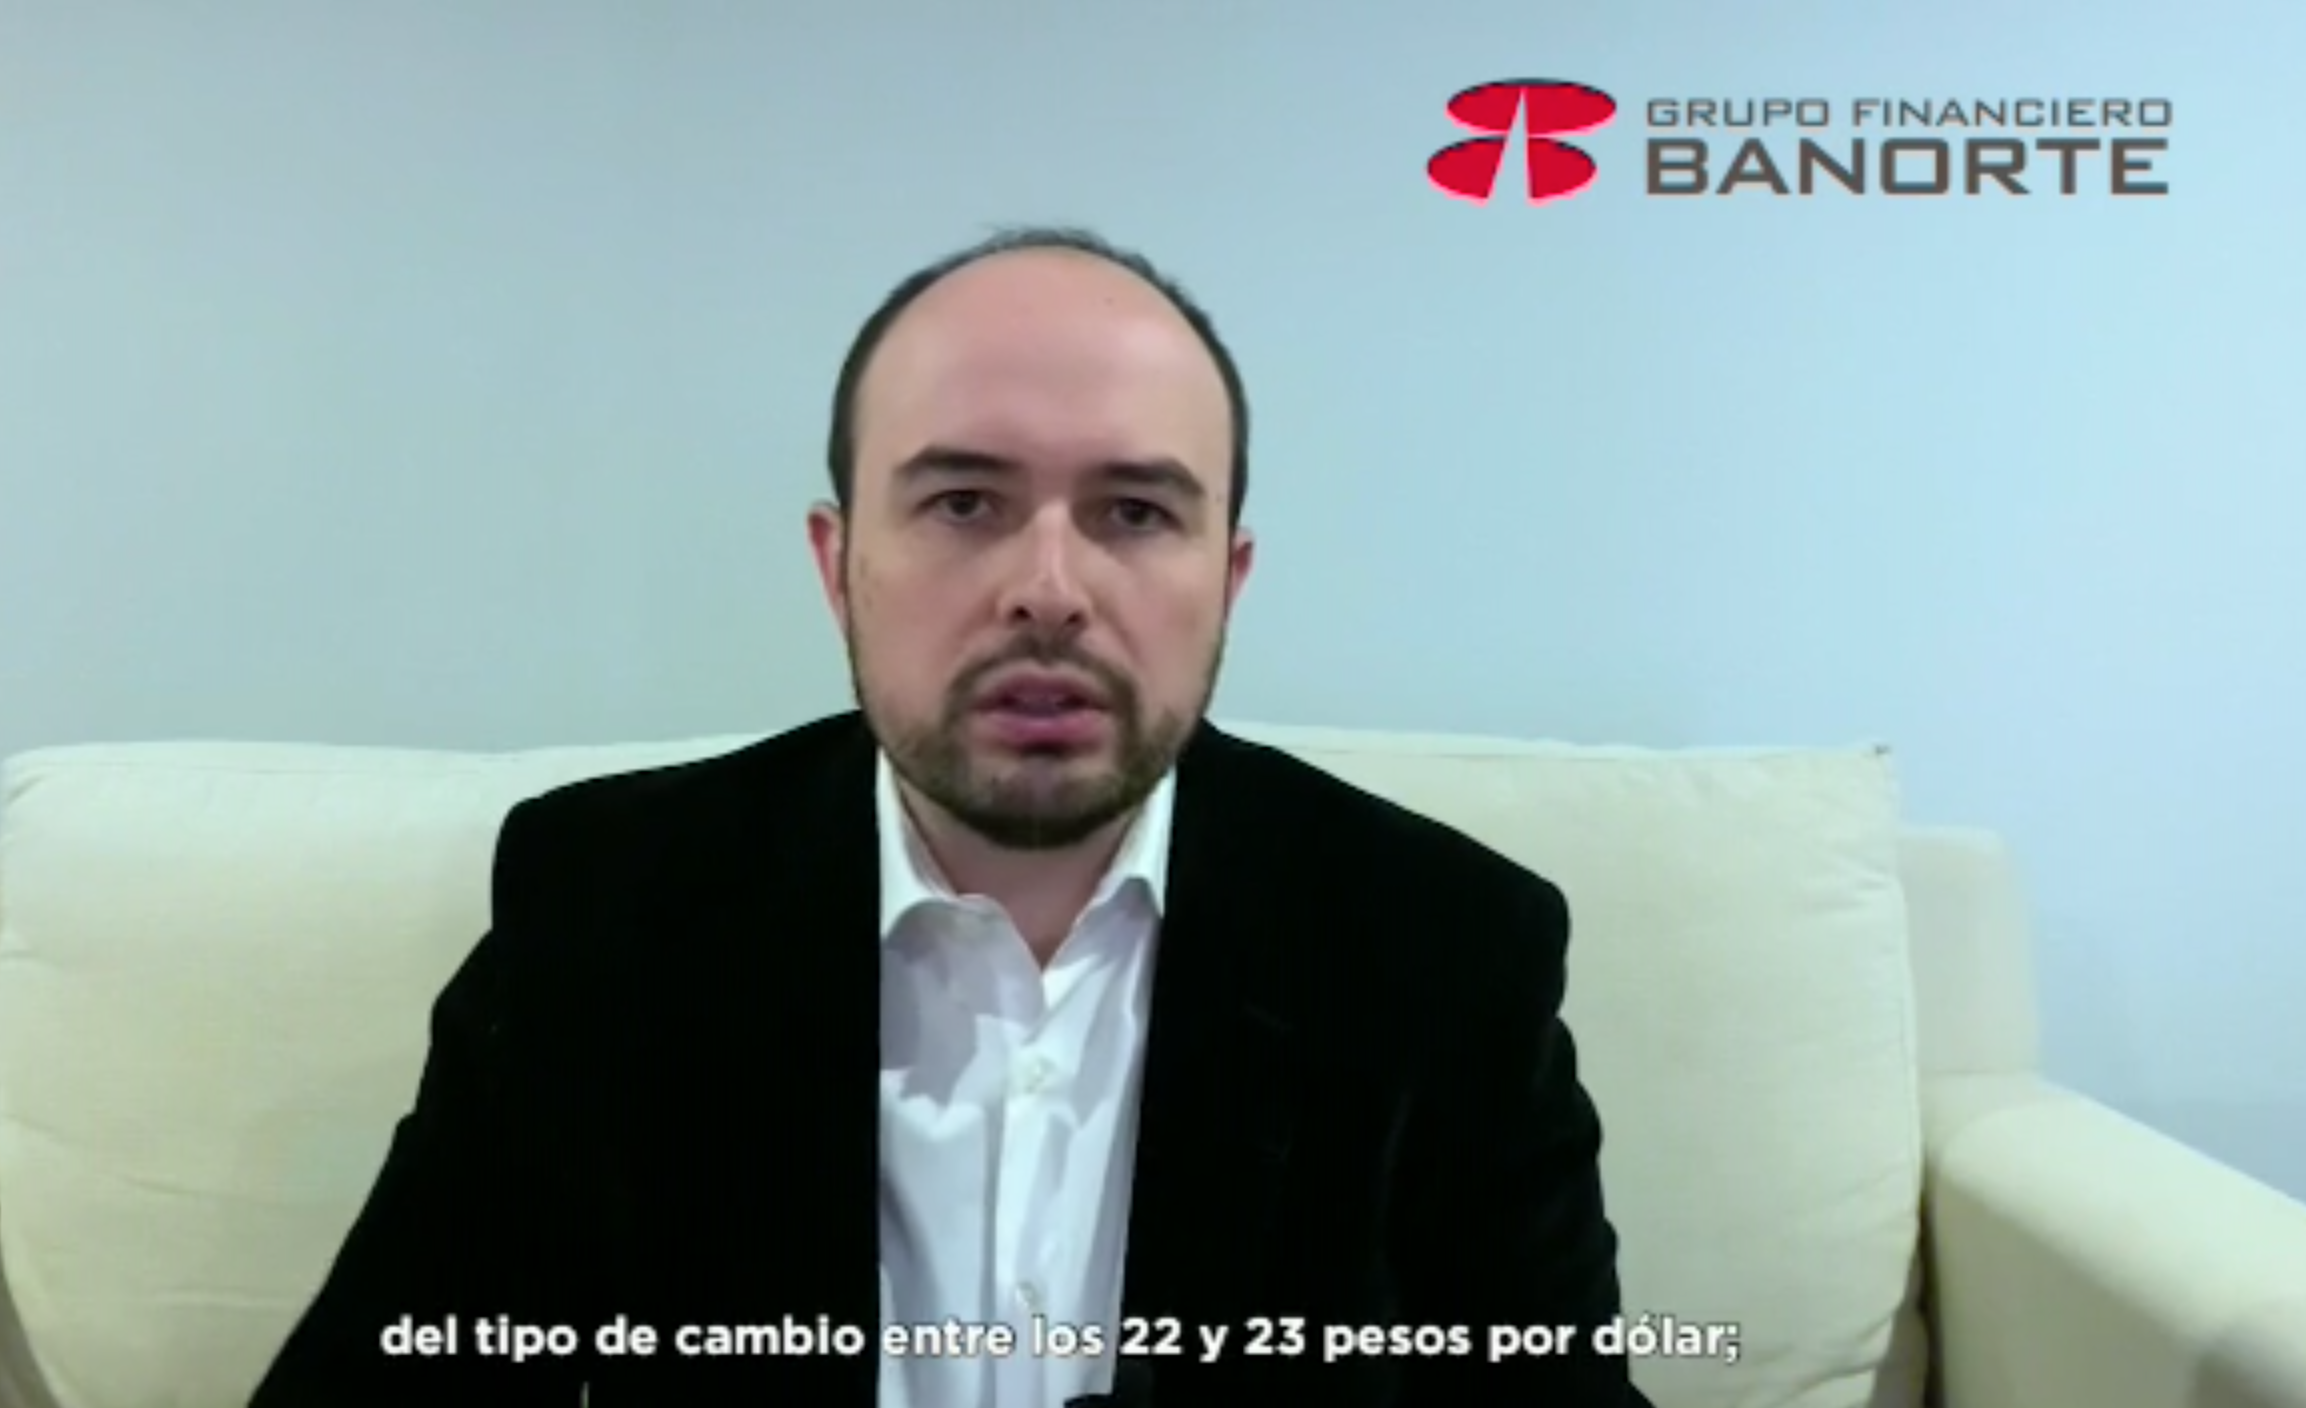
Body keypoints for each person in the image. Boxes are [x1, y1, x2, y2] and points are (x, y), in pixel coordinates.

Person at [249, 227, 1652, 1407]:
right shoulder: (611, 903)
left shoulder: (1439, 945)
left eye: (1133, 513)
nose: (1049, 589)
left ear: (1226, 580)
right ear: (837, 564)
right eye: (965, 501)